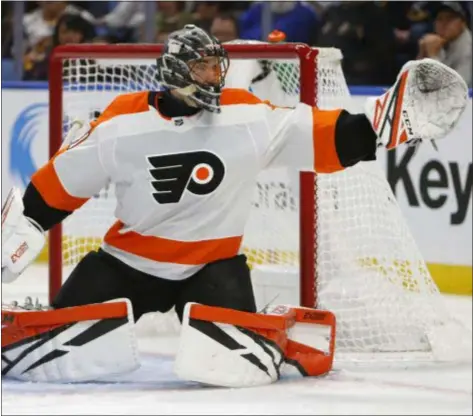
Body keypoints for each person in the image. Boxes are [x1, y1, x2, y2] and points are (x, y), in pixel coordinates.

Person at [1, 25, 467, 387]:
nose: (215, 77)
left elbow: (323, 134)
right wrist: (24, 227)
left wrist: (389, 123)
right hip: (127, 263)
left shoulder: (246, 115)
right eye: (203, 68)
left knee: (230, 367)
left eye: (216, 67)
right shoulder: (119, 121)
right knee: (53, 339)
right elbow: (59, 185)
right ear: (177, 70)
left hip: (213, 266)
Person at [417, 1, 472, 87]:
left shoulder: (469, 48)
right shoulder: (438, 41)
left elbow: (459, 89)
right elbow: (413, 85)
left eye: (450, 18)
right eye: (439, 19)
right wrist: (422, 54)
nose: (444, 23)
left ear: (463, 23)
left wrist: (433, 56)